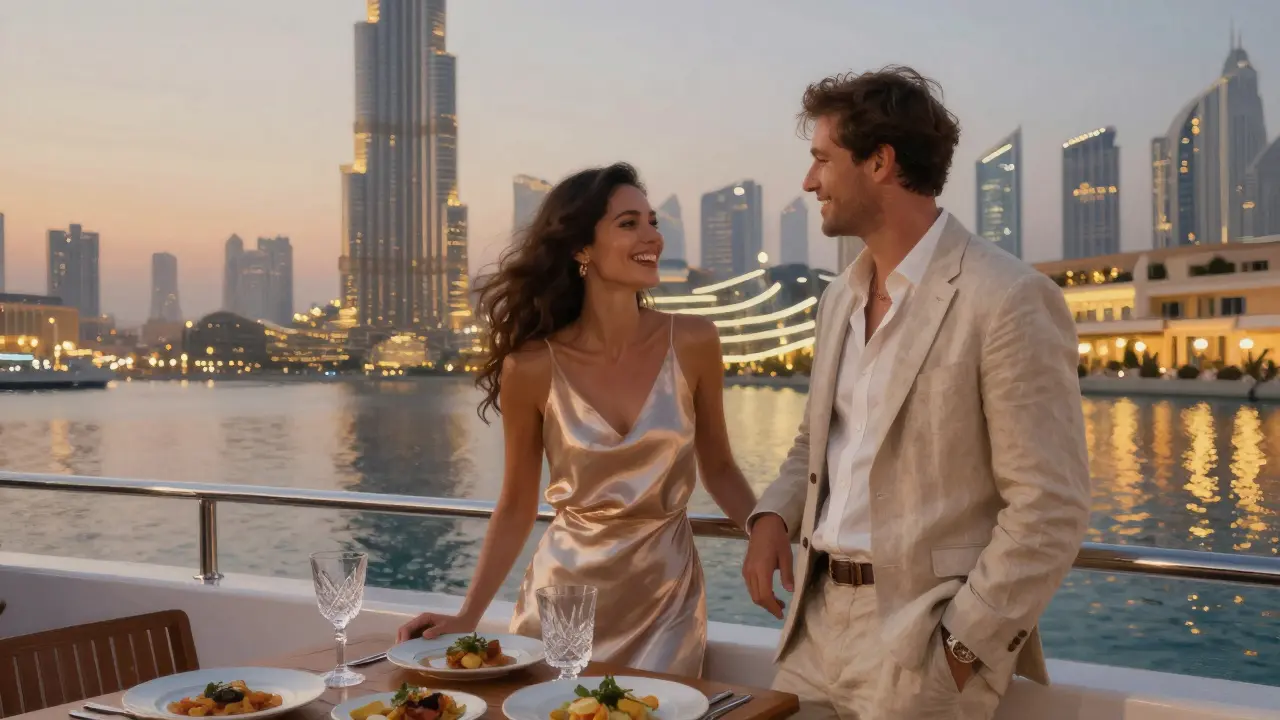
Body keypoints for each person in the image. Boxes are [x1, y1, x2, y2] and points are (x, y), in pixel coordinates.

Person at [742, 66, 1091, 718]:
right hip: (812, 628)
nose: (808, 180)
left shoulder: (1007, 298)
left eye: (822, 160)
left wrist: (960, 649)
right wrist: (770, 517)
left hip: (920, 640)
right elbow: (818, 443)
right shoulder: (837, 298)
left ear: (880, 162)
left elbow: (1051, 507)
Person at [396, 162, 757, 677]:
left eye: (652, 221)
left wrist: (766, 531)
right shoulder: (533, 366)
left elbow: (720, 467)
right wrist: (466, 616)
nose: (652, 236)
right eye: (629, 223)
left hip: (666, 600)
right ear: (581, 249)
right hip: (561, 600)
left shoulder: (695, 341)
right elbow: (517, 504)